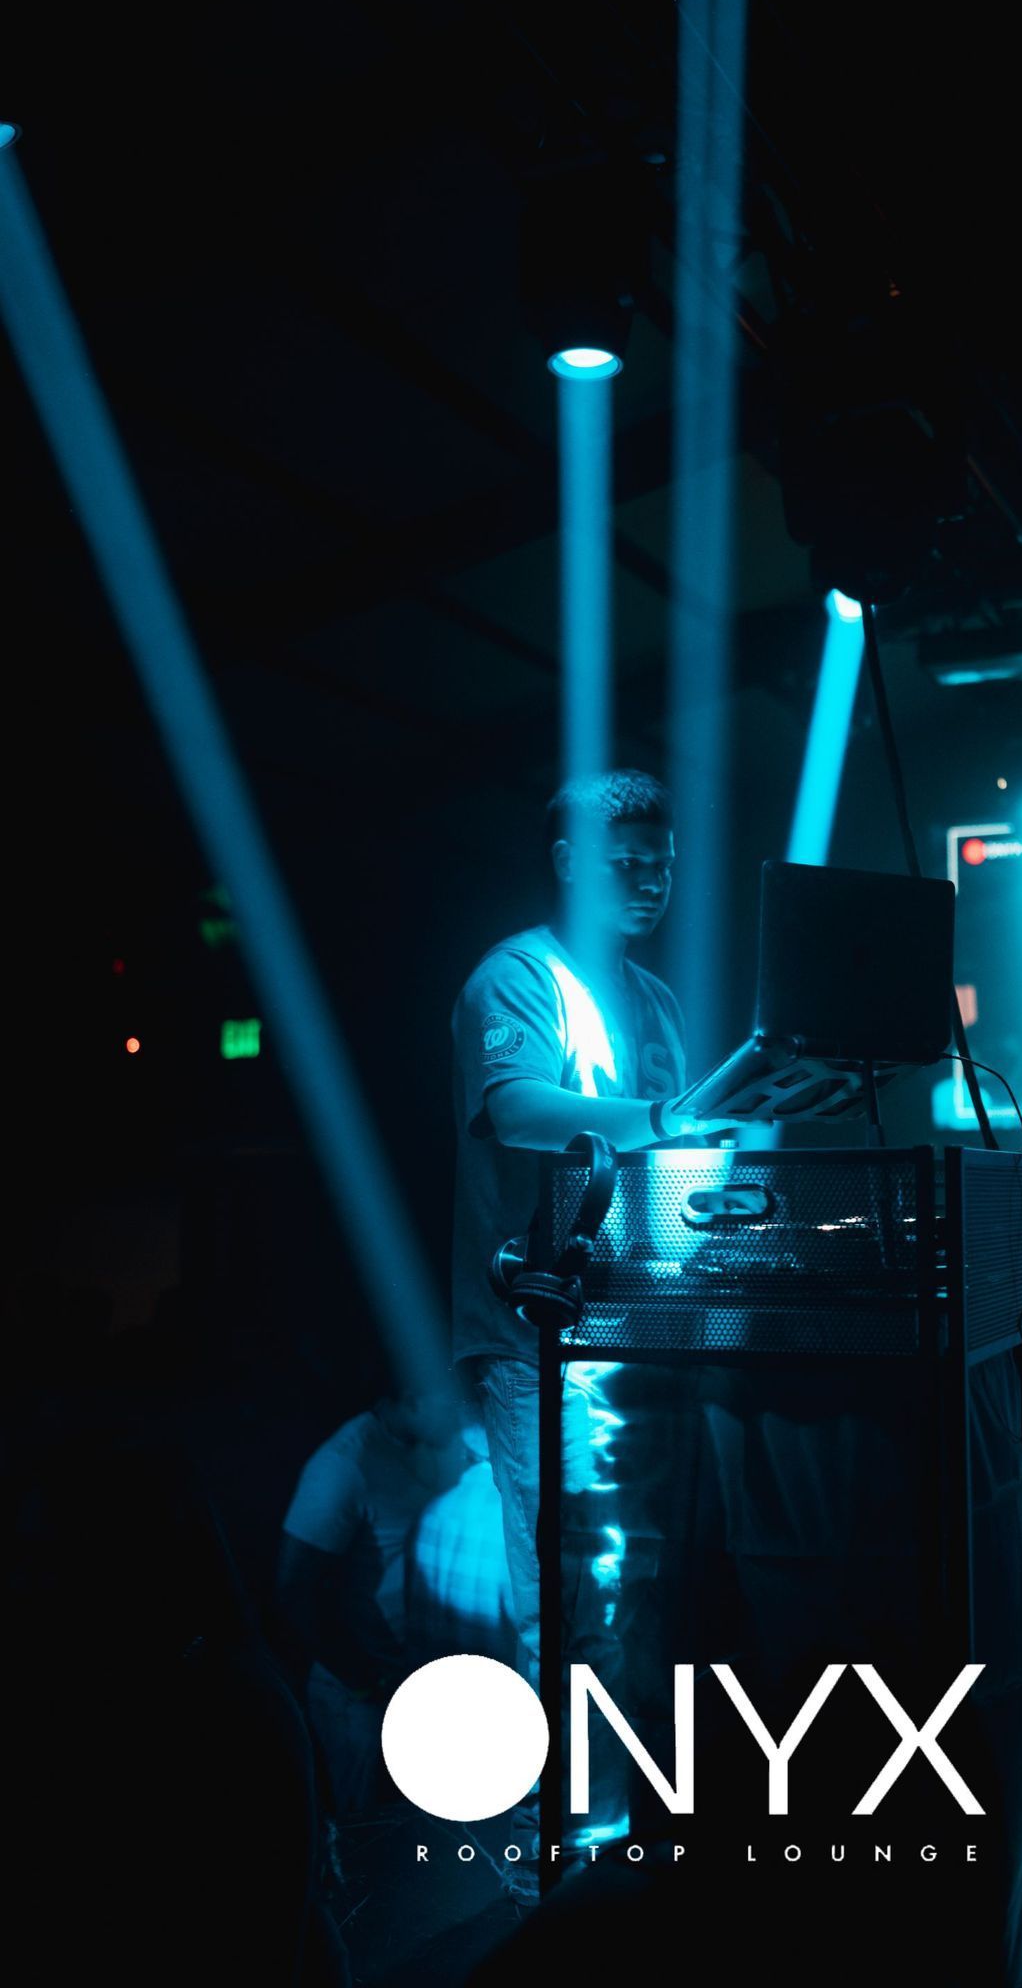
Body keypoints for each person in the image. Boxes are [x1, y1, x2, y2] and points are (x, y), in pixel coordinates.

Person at [450, 769, 736, 1877]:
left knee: (641, 1594)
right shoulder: (516, 977)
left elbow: (670, 1155)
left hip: (639, 1338)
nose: (651, 880)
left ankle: (622, 1833)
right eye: (628, 862)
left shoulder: (657, 1002)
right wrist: (666, 1116)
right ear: (569, 863)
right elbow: (518, 1109)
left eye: (662, 863)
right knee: (569, 1597)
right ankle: (557, 1848)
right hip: (537, 1339)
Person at [277, 1386, 512, 1818]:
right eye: (450, 1402)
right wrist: (364, 1684)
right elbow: (293, 1589)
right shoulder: (343, 1465)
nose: (459, 1416)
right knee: (373, 1831)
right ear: (409, 1396)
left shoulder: (435, 1444)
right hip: (360, 1697)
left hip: (412, 1679)